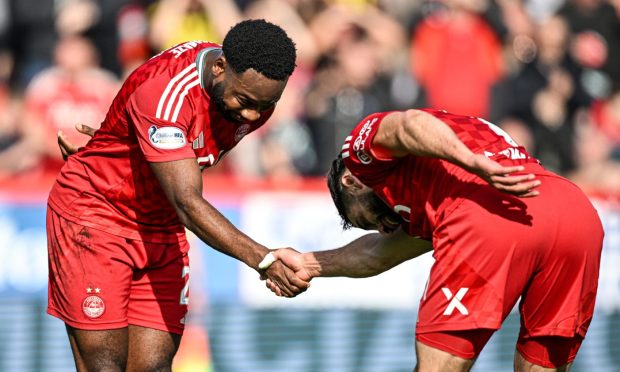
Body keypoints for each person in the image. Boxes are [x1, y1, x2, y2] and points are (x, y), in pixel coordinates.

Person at [47, 19, 309, 372]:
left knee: (154, 366)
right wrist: (264, 260)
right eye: (245, 101)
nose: (251, 114)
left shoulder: (254, 97)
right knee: (104, 365)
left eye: (264, 104)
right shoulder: (166, 93)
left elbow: (182, 150)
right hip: (97, 218)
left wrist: (120, 142)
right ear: (220, 67)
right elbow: (187, 201)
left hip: (160, 224)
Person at [265, 108, 604, 371]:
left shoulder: (360, 157)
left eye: (370, 219)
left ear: (352, 183)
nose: (385, 228)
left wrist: (473, 162)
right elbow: (378, 255)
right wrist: (309, 264)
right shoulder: (427, 191)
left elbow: (407, 123)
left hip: (487, 214)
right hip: (573, 212)